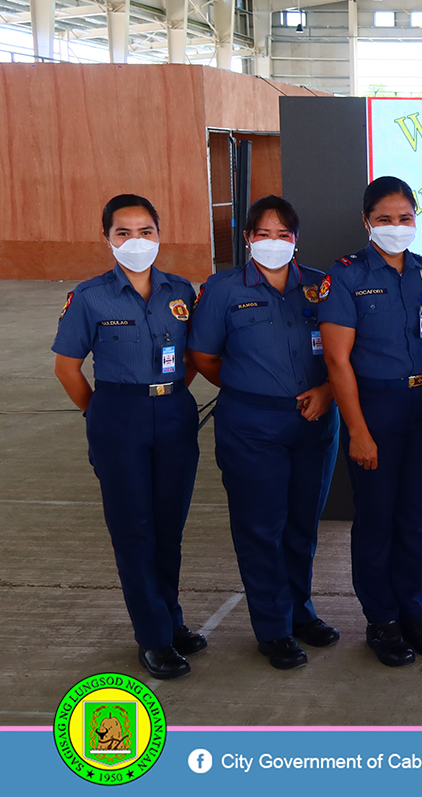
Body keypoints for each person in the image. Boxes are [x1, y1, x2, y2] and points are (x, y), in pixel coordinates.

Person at [52, 194, 204, 680]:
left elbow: (195, 357)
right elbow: (67, 368)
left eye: (145, 232)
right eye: (123, 233)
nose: (135, 241)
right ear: (107, 238)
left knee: (168, 527)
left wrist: (169, 393)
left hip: (176, 411)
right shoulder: (90, 296)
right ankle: (154, 638)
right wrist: (101, 413)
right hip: (118, 415)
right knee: (134, 530)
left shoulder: (181, 291)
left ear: (159, 235)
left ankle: (171, 620)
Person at [190, 196, 340, 670]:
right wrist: (253, 388)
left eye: (283, 235)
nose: (273, 243)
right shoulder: (223, 288)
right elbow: (205, 357)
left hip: (315, 421)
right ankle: (272, 629)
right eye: (263, 234)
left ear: (296, 240)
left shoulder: (321, 286)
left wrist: (327, 393)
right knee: (260, 528)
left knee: (301, 524)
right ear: (248, 238)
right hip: (251, 425)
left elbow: (345, 353)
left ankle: (301, 612)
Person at [319, 176, 422, 667]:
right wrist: (356, 430)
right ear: (366, 222)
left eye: (405, 218)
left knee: (412, 521)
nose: (396, 227)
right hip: (373, 409)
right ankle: (382, 620)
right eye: (384, 219)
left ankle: (413, 614)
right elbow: (337, 362)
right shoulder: (347, 276)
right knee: (377, 521)